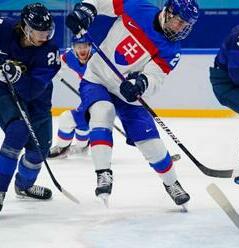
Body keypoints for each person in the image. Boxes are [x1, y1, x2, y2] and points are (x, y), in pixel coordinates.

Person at [65, 0, 199, 207]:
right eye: (179, 21)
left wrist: (141, 83)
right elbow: (101, 3)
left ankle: (172, 183)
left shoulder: (172, 49)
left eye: (185, 25)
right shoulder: (137, 7)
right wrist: (86, 9)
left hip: (127, 91)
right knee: (103, 111)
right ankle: (103, 173)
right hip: (97, 78)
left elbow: (156, 76)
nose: (181, 29)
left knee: (151, 144)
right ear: (167, 12)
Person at [0, 3, 61, 212]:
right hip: (4, 93)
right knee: (18, 131)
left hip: (37, 100)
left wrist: (15, 76)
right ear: (25, 28)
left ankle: (23, 186)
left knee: (39, 150)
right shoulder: (3, 28)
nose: (45, 36)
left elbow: (32, 91)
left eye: (47, 31)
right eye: (39, 32)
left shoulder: (50, 52)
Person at [49, 36, 93, 159]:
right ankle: (82, 147)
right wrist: (51, 71)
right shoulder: (70, 57)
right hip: (89, 97)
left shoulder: (98, 59)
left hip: (101, 98)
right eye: (79, 47)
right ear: (74, 48)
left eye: (85, 46)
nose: (82, 49)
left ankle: (62, 148)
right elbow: (55, 64)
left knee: (67, 118)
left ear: (90, 47)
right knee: (82, 122)